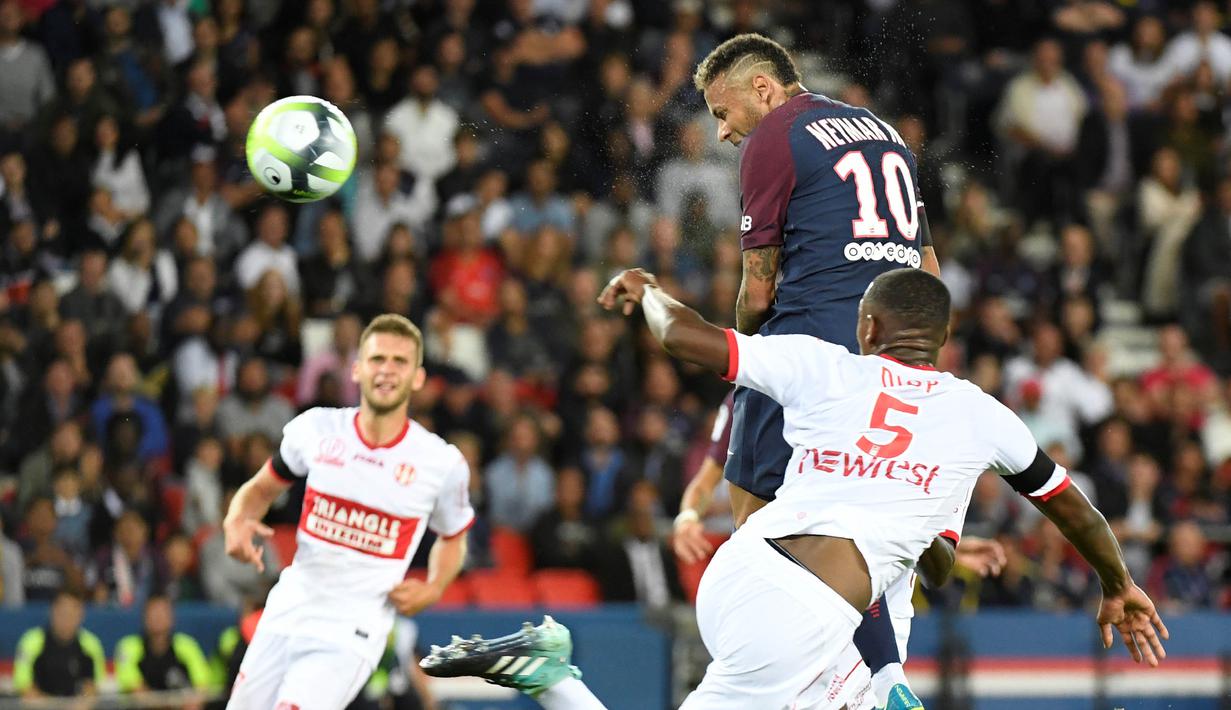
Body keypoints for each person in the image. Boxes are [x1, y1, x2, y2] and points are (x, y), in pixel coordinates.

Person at [422, 268, 1167, 710]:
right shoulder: (982, 419)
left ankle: (550, 675)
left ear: (868, 327)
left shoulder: (823, 364)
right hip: (808, 614)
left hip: (743, 567)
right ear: (941, 340)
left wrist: (649, 289)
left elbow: (683, 338)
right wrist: (1117, 582)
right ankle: (550, 674)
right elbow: (1068, 504)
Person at [693, 32, 944, 706]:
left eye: (722, 112)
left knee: (753, 506)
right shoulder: (882, 130)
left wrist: (746, 357)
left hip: (811, 346)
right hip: (893, 359)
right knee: (866, 520)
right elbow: (928, 272)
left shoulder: (774, 135)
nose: (722, 133)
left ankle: (825, 677)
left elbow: (758, 287)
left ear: (763, 90)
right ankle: (879, 675)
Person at [222, 313, 475, 710]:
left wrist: (434, 587)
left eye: (399, 362)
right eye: (377, 359)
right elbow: (260, 489)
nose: (387, 370)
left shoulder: (439, 463)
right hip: (288, 609)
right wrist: (237, 520)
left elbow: (454, 537)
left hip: (352, 629)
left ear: (418, 377)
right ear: (356, 369)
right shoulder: (317, 430)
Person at [12, 590, 107, 698]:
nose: (66, 619)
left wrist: (83, 702)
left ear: (81, 615)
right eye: (62, 613)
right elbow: (25, 688)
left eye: (72, 614)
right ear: (52, 611)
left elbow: (92, 688)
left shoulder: (91, 644)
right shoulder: (31, 642)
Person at [114, 594, 213, 697]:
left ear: (172, 618)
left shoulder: (188, 646)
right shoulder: (128, 646)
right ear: (144, 618)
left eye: (162, 613)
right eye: (153, 614)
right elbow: (137, 692)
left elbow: (202, 687)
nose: (157, 618)